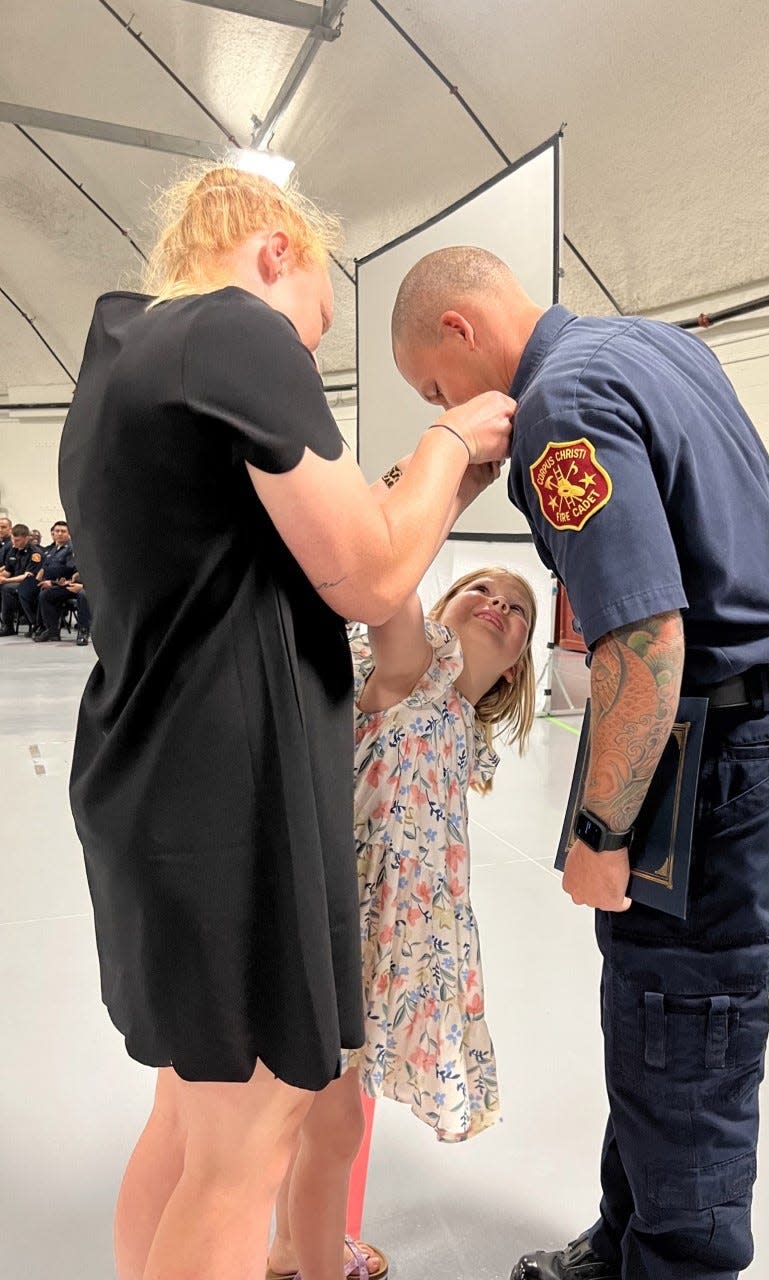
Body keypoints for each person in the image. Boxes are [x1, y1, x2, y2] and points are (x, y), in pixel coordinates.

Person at [57, 171, 514, 1280]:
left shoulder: (126, 352)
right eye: (317, 319)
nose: (308, 350)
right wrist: (453, 443)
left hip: (157, 783)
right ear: (275, 251)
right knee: (244, 1159)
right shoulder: (235, 334)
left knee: (190, 1127)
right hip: (231, 806)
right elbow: (365, 570)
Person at [391, 247, 769, 1280]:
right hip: (749, 718)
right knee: (650, 1009)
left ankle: (673, 1256)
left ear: (460, 330)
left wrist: (600, 830)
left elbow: (644, 638)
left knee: (686, 1034)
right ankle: (622, 1237)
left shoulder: (562, 401)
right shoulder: (654, 346)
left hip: (710, 739)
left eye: (434, 389)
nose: (446, 409)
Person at [268, 564, 537, 1279]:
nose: (497, 604)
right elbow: (388, 593)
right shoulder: (416, 672)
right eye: (480, 589)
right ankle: (317, 1266)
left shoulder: (459, 720)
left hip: (390, 938)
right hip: (347, 929)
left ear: (515, 670)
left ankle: (290, 1247)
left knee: (318, 1113)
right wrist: (446, 471)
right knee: (333, 1128)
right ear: (442, 612)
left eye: (516, 610)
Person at [0, 523, 44, 634]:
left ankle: (8, 626)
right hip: (15, 582)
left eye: (18, 540)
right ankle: (7, 624)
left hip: (31, 583)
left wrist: (5, 580)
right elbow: (8, 571)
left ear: (27, 538)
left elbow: (26, 576)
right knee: (5, 586)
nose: (14, 543)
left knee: (6, 587)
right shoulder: (14, 550)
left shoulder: (35, 553)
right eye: (13, 539)